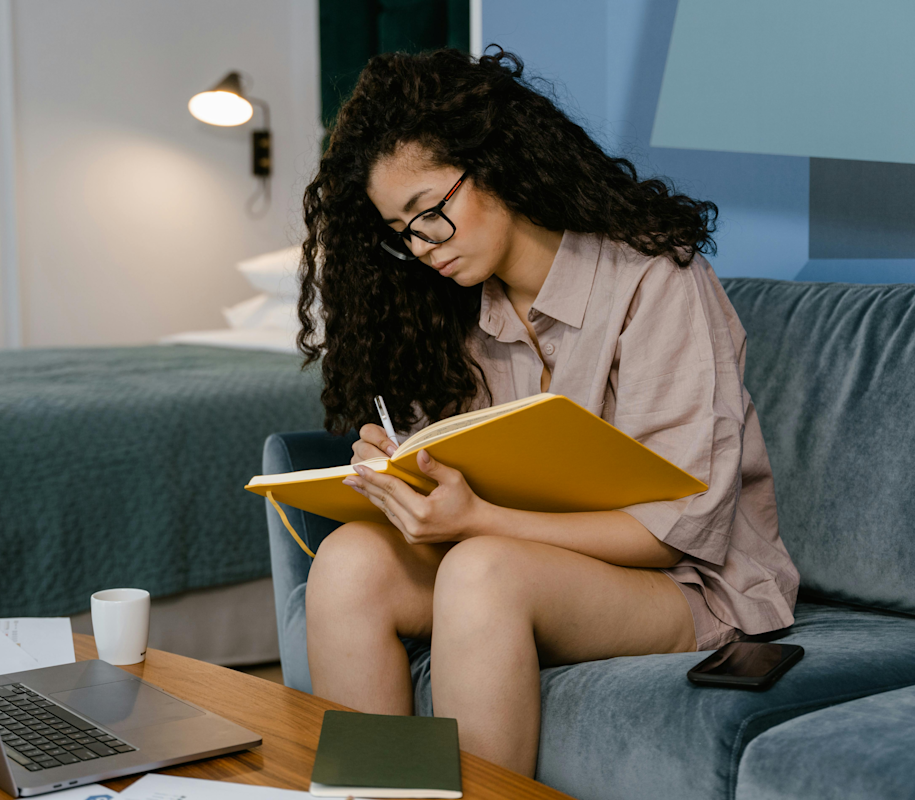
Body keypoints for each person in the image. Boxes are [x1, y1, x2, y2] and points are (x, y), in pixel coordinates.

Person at [295, 48, 799, 777]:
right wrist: (407, 474)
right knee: (347, 563)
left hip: (690, 582)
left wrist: (476, 521)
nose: (422, 243)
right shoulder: (465, 314)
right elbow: (486, 486)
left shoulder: (656, 278)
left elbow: (679, 527)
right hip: (532, 558)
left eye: (430, 211)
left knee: (481, 570)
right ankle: (378, 796)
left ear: (496, 163)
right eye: (402, 231)